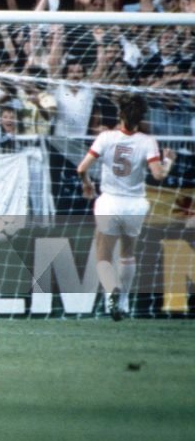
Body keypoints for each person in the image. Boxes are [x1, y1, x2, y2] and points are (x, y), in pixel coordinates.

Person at [76, 94, 174, 321]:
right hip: (135, 204)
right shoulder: (148, 142)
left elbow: (82, 168)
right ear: (141, 118)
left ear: (120, 115)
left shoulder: (106, 137)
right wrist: (168, 160)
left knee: (103, 254)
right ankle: (124, 301)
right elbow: (158, 175)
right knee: (127, 254)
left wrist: (87, 184)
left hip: (109, 201)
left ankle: (111, 291)